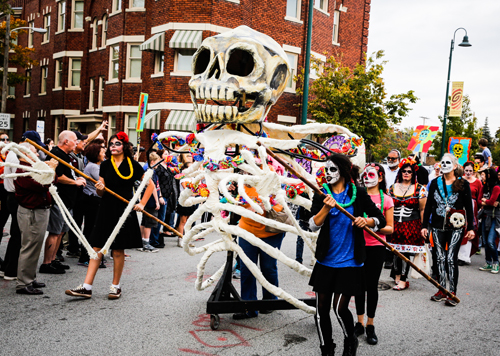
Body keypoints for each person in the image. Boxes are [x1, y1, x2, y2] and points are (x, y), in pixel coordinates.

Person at [308, 154, 386, 356]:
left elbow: (380, 219)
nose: (328, 174)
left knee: (340, 309)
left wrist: (366, 221)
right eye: (326, 170)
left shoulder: (358, 193)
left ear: (343, 171)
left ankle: (350, 341)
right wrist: (326, 207)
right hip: (326, 260)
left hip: (350, 262)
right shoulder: (321, 193)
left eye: (332, 170)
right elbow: (312, 225)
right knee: (321, 311)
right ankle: (327, 349)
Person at [65, 132, 154, 299]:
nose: (113, 146)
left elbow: (150, 185)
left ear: (125, 146)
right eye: (111, 143)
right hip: (105, 208)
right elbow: (100, 193)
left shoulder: (134, 165)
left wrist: (141, 204)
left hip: (124, 211)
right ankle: (86, 287)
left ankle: (115, 286)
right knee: (96, 247)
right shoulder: (105, 165)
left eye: (117, 143)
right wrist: (100, 187)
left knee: (118, 250)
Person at [231, 161, 289, 321]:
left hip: (270, 233)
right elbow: (236, 203)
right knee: (247, 268)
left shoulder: (269, 177)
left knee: (268, 267)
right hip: (247, 231)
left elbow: (279, 206)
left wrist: (261, 206)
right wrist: (232, 198)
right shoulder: (242, 184)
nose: (245, 175)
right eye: (244, 172)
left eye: (249, 172)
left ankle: (270, 301)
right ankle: (249, 307)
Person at [422, 154, 474, 306]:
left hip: (456, 226)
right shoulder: (434, 183)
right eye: (442, 162)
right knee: (439, 258)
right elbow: (429, 205)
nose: (444, 165)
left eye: (448, 162)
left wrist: (471, 228)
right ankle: (441, 289)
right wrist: (424, 226)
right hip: (438, 225)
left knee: (451, 259)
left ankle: (452, 292)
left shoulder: (463, 183)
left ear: (455, 166)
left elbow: (469, 208)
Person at [354, 163, 394, 346]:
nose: (367, 177)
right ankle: (359, 322)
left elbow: (390, 228)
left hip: (377, 247)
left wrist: (371, 223)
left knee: (371, 286)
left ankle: (370, 324)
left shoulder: (386, 200)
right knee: (358, 285)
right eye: (365, 174)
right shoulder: (356, 196)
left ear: (380, 178)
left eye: (372, 174)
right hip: (357, 245)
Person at [1, 132, 47, 280]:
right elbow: (23, 179)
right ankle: (11, 270)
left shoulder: (15, 153)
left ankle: (8, 267)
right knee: (19, 236)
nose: (37, 153)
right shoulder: (18, 155)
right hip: (16, 196)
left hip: (13, 195)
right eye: (35, 149)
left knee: (18, 235)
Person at [14, 144, 58, 294]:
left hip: (39, 210)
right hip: (31, 212)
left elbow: (53, 180)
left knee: (35, 246)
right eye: (34, 152)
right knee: (29, 246)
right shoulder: (23, 169)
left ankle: (30, 278)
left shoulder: (32, 167)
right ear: (25, 153)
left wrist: (50, 170)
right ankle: (23, 283)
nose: (38, 155)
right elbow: (43, 184)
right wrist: (51, 169)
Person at [40, 131, 86, 274]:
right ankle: (46, 263)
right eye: (74, 140)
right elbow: (58, 177)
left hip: (67, 201)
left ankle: (54, 260)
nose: (76, 143)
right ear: (66, 141)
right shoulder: (55, 154)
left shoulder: (66, 155)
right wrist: (75, 182)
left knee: (61, 231)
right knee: (55, 232)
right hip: (58, 199)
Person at [387, 158, 427, 291]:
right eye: (403, 171)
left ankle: (404, 279)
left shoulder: (419, 189)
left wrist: (424, 227)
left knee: (405, 253)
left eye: (409, 171)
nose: (406, 173)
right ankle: (397, 277)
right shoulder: (392, 188)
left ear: (413, 173)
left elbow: (422, 210)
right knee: (395, 252)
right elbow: (388, 208)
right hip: (395, 225)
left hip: (411, 225)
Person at [77, 140, 106, 267]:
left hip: (94, 200)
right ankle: (86, 256)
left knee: (94, 228)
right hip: (92, 200)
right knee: (91, 228)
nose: (104, 152)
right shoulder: (93, 167)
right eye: (101, 151)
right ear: (96, 154)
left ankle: (93, 254)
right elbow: (104, 182)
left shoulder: (97, 165)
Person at [458, 161, 482, 263]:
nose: (468, 172)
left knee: (469, 229)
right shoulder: (460, 180)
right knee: (460, 228)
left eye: (470, 171)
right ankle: (457, 255)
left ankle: (464, 256)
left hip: (472, 207)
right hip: (461, 207)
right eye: (466, 170)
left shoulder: (478, 182)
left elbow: (479, 197)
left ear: (474, 171)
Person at [477, 168, 500, 274]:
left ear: (489, 176)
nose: (482, 176)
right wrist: (488, 202)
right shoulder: (484, 186)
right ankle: (488, 262)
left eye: (484, 174)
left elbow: (492, 201)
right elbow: (478, 200)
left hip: (495, 217)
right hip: (485, 216)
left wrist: (486, 201)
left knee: (491, 241)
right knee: (485, 241)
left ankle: (496, 262)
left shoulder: (496, 187)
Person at [139, 151, 160, 253]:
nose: (158, 164)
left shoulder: (147, 170)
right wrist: (157, 201)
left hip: (145, 198)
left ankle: (141, 241)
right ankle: (146, 243)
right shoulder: (150, 171)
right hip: (150, 199)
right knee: (149, 221)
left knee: (144, 221)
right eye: (157, 162)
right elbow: (153, 188)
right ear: (153, 162)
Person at [0, 132, 11, 245]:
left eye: (7, 139)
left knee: (4, 218)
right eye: (3, 139)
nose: (5, 142)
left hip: (6, 189)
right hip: (0, 186)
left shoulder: (9, 154)